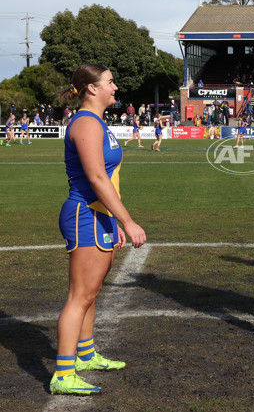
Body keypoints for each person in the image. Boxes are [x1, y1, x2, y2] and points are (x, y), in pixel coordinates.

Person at [50, 64, 146, 395]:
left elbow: (107, 178)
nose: (115, 87)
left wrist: (112, 220)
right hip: (84, 215)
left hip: (99, 216)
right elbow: (96, 178)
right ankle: (64, 374)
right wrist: (127, 221)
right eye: (110, 82)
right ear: (92, 88)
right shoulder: (86, 124)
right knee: (80, 296)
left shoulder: (97, 122)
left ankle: (86, 355)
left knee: (91, 293)